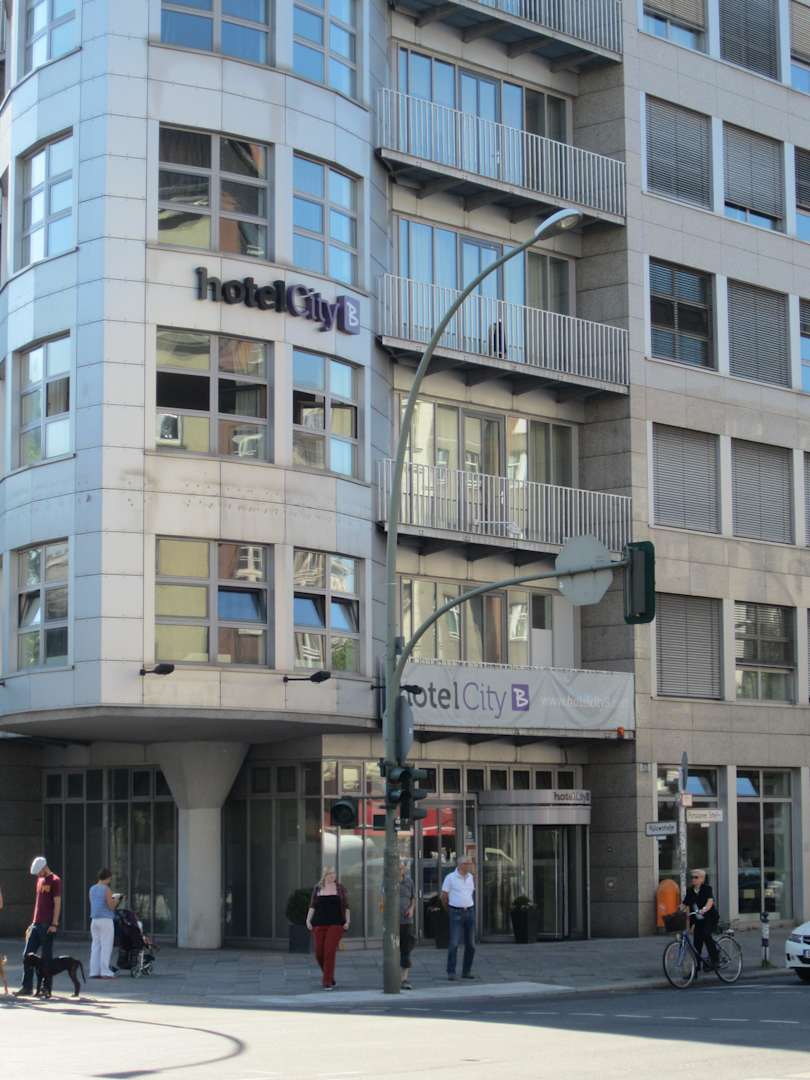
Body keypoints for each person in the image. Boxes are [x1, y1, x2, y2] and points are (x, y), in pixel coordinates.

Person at [15, 856, 61, 997]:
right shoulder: (39, 880)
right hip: (36, 923)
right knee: (27, 955)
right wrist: (33, 923)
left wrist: (54, 923)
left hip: (47, 925)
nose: (38, 875)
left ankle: (46, 988)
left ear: (44, 867)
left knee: (46, 958)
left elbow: (57, 903)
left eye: (39, 872)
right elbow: (38, 903)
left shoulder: (55, 880)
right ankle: (27, 987)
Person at [306, 867, 350, 990]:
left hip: (336, 924)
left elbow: (346, 906)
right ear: (324, 875)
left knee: (329, 951)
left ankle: (327, 981)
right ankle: (330, 977)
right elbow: (312, 906)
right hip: (319, 924)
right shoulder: (317, 888)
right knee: (319, 953)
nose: (332, 876)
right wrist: (308, 920)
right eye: (329, 873)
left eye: (334, 873)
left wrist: (348, 921)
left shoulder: (340, 888)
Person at [441, 854, 476, 981]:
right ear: (461, 865)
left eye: (470, 863)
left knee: (471, 945)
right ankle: (451, 971)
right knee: (454, 943)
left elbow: (470, 893)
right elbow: (444, 896)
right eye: (468, 863)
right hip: (455, 911)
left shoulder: (470, 877)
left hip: (470, 911)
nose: (470, 865)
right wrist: (449, 909)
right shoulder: (450, 877)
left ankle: (466, 971)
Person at [682, 868, 719, 970]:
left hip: (709, 918)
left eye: (696, 877)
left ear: (702, 879)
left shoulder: (707, 889)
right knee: (697, 943)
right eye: (692, 877)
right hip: (698, 920)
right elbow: (684, 904)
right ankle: (696, 967)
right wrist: (676, 910)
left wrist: (704, 909)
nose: (693, 879)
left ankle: (715, 960)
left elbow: (710, 901)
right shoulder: (690, 891)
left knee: (706, 935)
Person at [88, 868, 117, 979]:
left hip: (94, 920)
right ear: (108, 878)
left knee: (95, 945)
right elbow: (111, 906)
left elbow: (94, 903)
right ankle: (105, 971)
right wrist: (116, 900)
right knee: (106, 945)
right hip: (106, 920)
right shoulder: (107, 889)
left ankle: (94, 971)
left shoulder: (92, 889)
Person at [397, 861, 416, 989]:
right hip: (393, 923)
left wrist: (411, 909)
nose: (400, 871)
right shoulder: (388, 882)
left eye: (402, 868)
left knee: (406, 950)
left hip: (406, 920)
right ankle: (394, 977)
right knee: (393, 950)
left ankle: (404, 979)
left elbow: (413, 898)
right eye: (398, 869)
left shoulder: (409, 881)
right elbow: (382, 898)